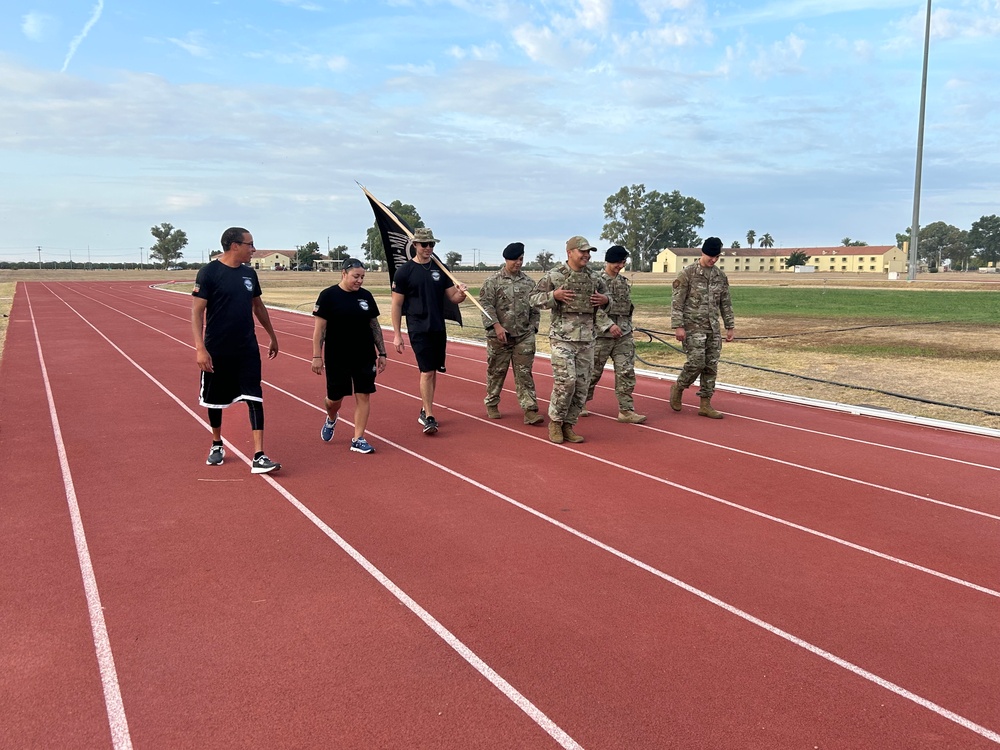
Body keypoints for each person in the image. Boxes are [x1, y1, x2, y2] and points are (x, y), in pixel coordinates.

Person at [192, 227, 281, 474]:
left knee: (254, 396)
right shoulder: (209, 273)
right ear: (234, 246)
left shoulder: (249, 274)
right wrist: (200, 348)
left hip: (246, 348)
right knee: (215, 399)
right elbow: (197, 312)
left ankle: (259, 455)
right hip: (217, 349)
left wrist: (272, 335)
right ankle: (217, 443)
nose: (253, 249)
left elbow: (258, 306)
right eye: (250, 244)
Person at [529, 235, 611, 444]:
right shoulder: (555, 275)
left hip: (587, 340)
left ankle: (569, 424)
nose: (587, 255)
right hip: (562, 338)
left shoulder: (594, 277)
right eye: (582, 251)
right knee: (567, 381)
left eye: (588, 251)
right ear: (570, 252)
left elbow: (608, 298)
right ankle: (555, 421)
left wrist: (605, 300)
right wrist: (553, 296)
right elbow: (531, 299)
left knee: (582, 385)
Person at [390, 227, 468, 434]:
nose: (428, 248)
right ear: (415, 245)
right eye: (424, 244)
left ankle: (425, 409)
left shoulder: (440, 269)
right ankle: (430, 416)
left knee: (433, 372)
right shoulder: (404, 271)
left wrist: (462, 294)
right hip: (417, 327)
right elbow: (396, 305)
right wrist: (397, 334)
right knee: (426, 371)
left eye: (431, 244)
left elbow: (453, 297)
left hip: (437, 327)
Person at [311, 258, 387, 454]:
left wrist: (382, 352)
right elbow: (319, 330)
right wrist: (316, 356)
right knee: (334, 399)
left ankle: (358, 438)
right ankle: (331, 417)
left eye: (362, 277)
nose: (359, 281)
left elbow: (374, 326)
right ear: (344, 274)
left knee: (364, 394)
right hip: (338, 356)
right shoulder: (328, 296)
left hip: (364, 355)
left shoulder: (366, 297)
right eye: (356, 276)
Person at [670, 236, 736, 418]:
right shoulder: (688, 274)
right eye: (711, 256)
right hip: (693, 327)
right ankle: (679, 387)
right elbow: (677, 302)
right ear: (703, 252)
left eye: (717, 257)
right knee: (696, 362)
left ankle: (705, 403)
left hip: (713, 328)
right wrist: (678, 326)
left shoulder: (720, 276)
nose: (713, 260)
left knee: (711, 366)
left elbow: (725, 303)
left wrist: (730, 326)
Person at [478, 242, 544, 425]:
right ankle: (492, 402)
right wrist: (496, 326)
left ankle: (530, 410)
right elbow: (485, 306)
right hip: (499, 337)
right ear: (506, 259)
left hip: (523, 336)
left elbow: (535, 308)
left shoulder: (529, 283)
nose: (518, 263)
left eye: (521, 259)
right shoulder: (493, 282)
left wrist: (533, 328)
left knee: (524, 373)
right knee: (496, 372)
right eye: (515, 259)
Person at [586, 245, 646, 424]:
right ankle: (579, 403)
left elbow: (627, 308)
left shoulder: (623, 282)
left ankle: (626, 410)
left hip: (623, 335)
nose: (619, 266)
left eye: (622, 262)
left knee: (626, 372)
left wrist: (626, 326)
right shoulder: (595, 281)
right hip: (601, 336)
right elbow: (591, 308)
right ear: (608, 261)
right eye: (616, 262)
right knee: (592, 373)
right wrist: (609, 325)